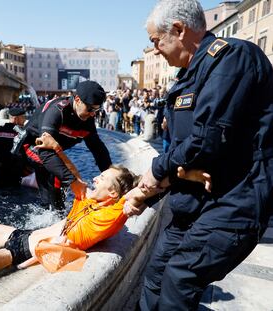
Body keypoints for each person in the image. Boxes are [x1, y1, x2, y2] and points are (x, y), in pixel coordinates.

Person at [124, 1, 273, 310]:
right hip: (191, 203)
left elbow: (208, 137)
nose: (155, 51)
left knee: (179, 281)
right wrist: (147, 194)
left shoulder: (232, 57)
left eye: (155, 42)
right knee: (155, 275)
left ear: (178, 30)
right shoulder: (188, 77)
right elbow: (186, 155)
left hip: (231, 204)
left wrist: (155, 172)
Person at [0, 131, 212, 278]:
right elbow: (73, 174)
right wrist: (55, 147)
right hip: (22, 236)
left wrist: (187, 175)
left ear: (114, 194)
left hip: (25, 253)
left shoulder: (111, 213)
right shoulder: (87, 198)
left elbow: (148, 184)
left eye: (103, 178)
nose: (95, 178)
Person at [15, 80, 112, 211]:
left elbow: (98, 149)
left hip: (51, 150)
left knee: (59, 182)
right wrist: (73, 181)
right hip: (31, 146)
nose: (93, 114)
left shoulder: (87, 118)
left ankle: (53, 209)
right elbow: (45, 154)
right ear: (77, 99)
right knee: (58, 178)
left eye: (97, 109)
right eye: (90, 109)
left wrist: (112, 177)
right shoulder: (56, 111)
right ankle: (55, 216)